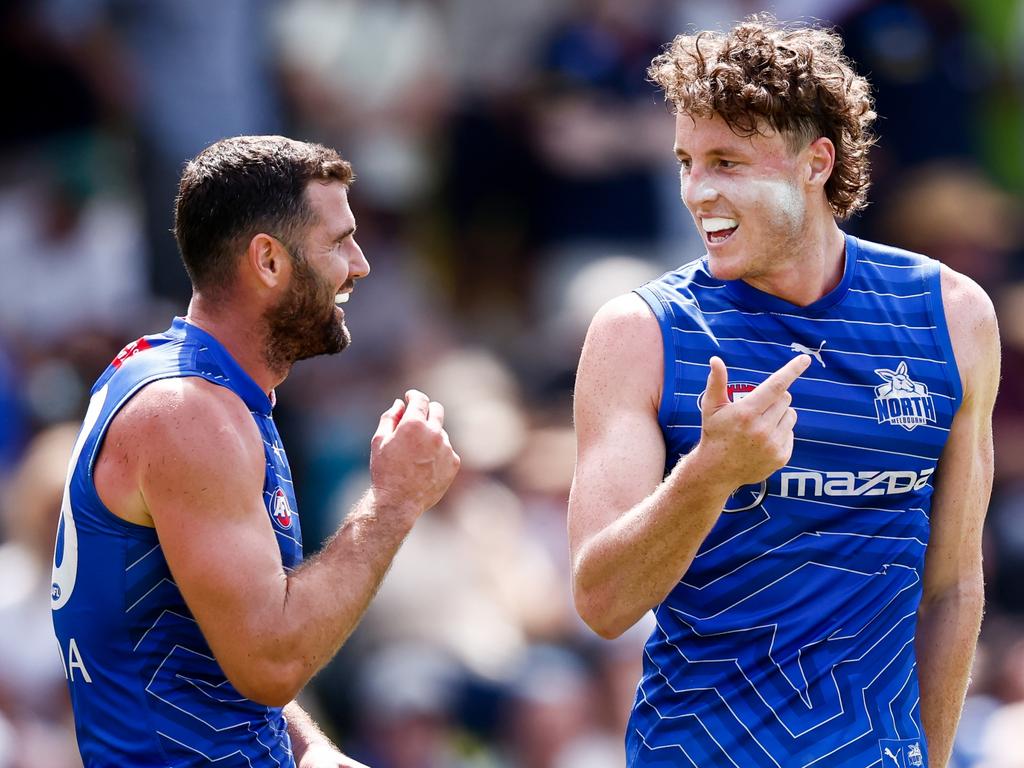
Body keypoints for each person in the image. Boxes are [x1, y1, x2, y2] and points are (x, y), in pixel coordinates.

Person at [568, 16, 999, 768]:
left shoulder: (952, 317)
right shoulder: (639, 333)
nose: (697, 192)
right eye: (686, 161)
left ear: (816, 162)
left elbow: (952, 590)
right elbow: (602, 604)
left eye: (727, 162)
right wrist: (709, 474)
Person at [50, 135, 461, 767]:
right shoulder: (189, 414)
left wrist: (319, 755)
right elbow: (270, 660)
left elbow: (220, 647)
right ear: (268, 261)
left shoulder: (204, 392)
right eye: (338, 240)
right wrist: (395, 500)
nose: (360, 264)